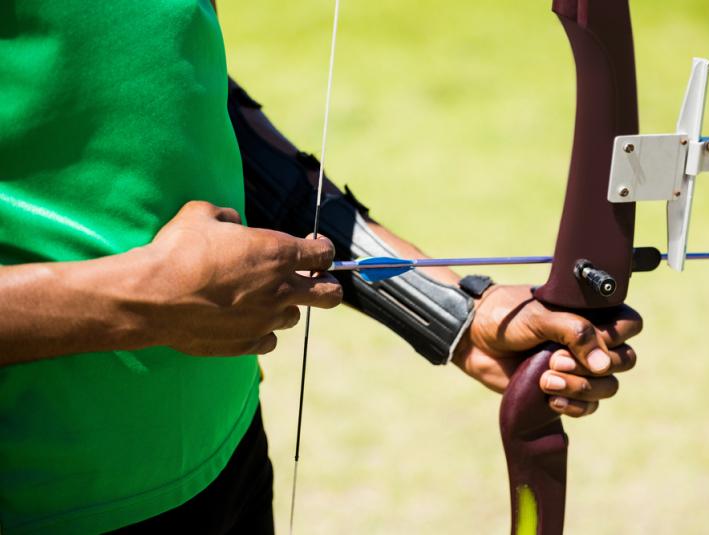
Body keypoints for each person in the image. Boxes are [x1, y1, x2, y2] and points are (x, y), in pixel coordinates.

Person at [0, 2, 642, 533]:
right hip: (39, 501)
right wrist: (139, 300)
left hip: (225, 458)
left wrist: (455, 315)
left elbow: (184, 95)